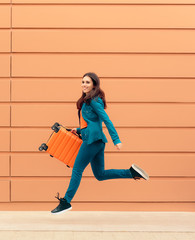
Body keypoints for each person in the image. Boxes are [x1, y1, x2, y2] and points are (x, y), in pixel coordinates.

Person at [51, 72, 149, 215]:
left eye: (87, 82)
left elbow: (106, 120)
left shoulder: (94, 101)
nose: (84, 84)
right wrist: (78, 130)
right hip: (96, 140)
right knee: (100, 175)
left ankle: (66, 201)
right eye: (83, 82)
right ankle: (131, 173)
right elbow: (92, 123)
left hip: (91, 141)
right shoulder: (87, 100)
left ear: (94, 85)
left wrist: (116, 140)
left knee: (77, 170)